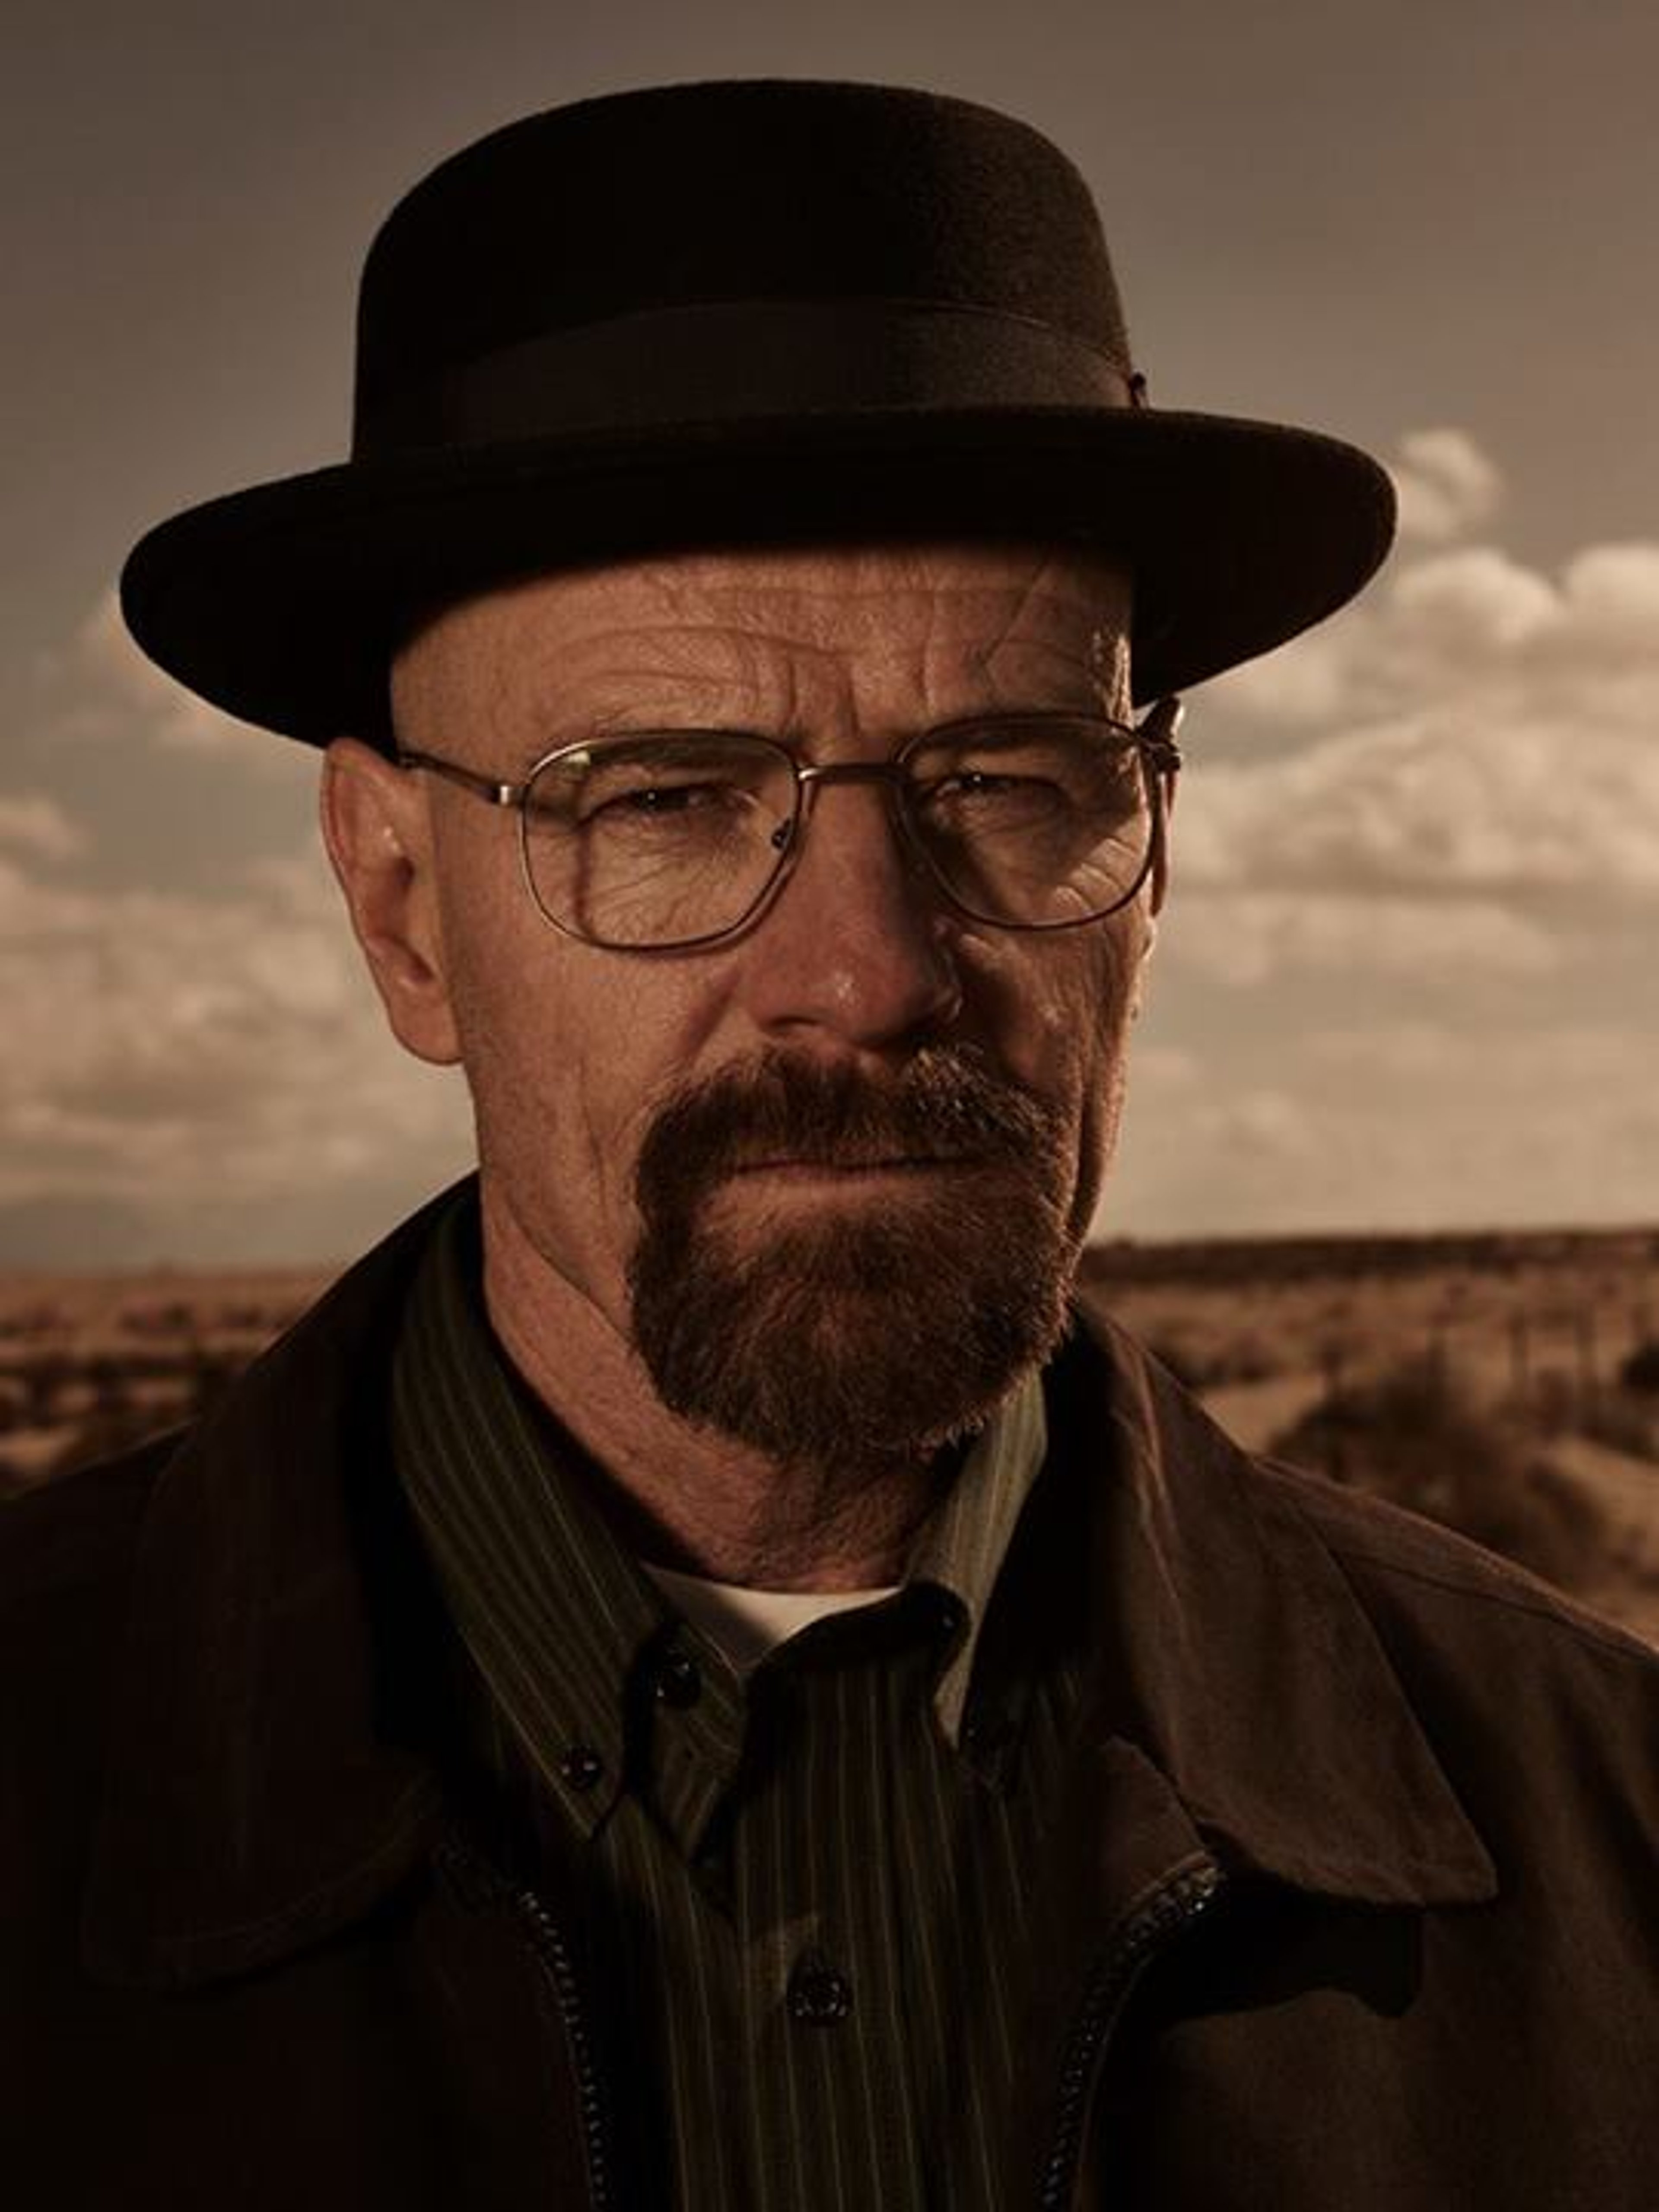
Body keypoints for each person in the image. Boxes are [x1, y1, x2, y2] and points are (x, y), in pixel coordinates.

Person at [5, 79, 1654, 2212]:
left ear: (1157, 858)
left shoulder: (1609, 1840)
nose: (870, 971)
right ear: (402, 904)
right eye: (668, 795)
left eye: (1010, 775)